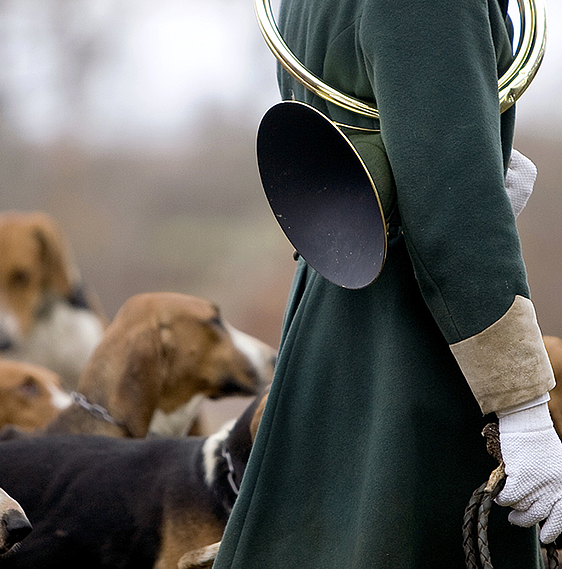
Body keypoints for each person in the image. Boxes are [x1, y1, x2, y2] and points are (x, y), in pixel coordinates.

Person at [212, 0, 562, 567]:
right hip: (412, 351)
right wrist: (520, 405)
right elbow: (453, 216)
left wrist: (474, 142)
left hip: (334, 322)